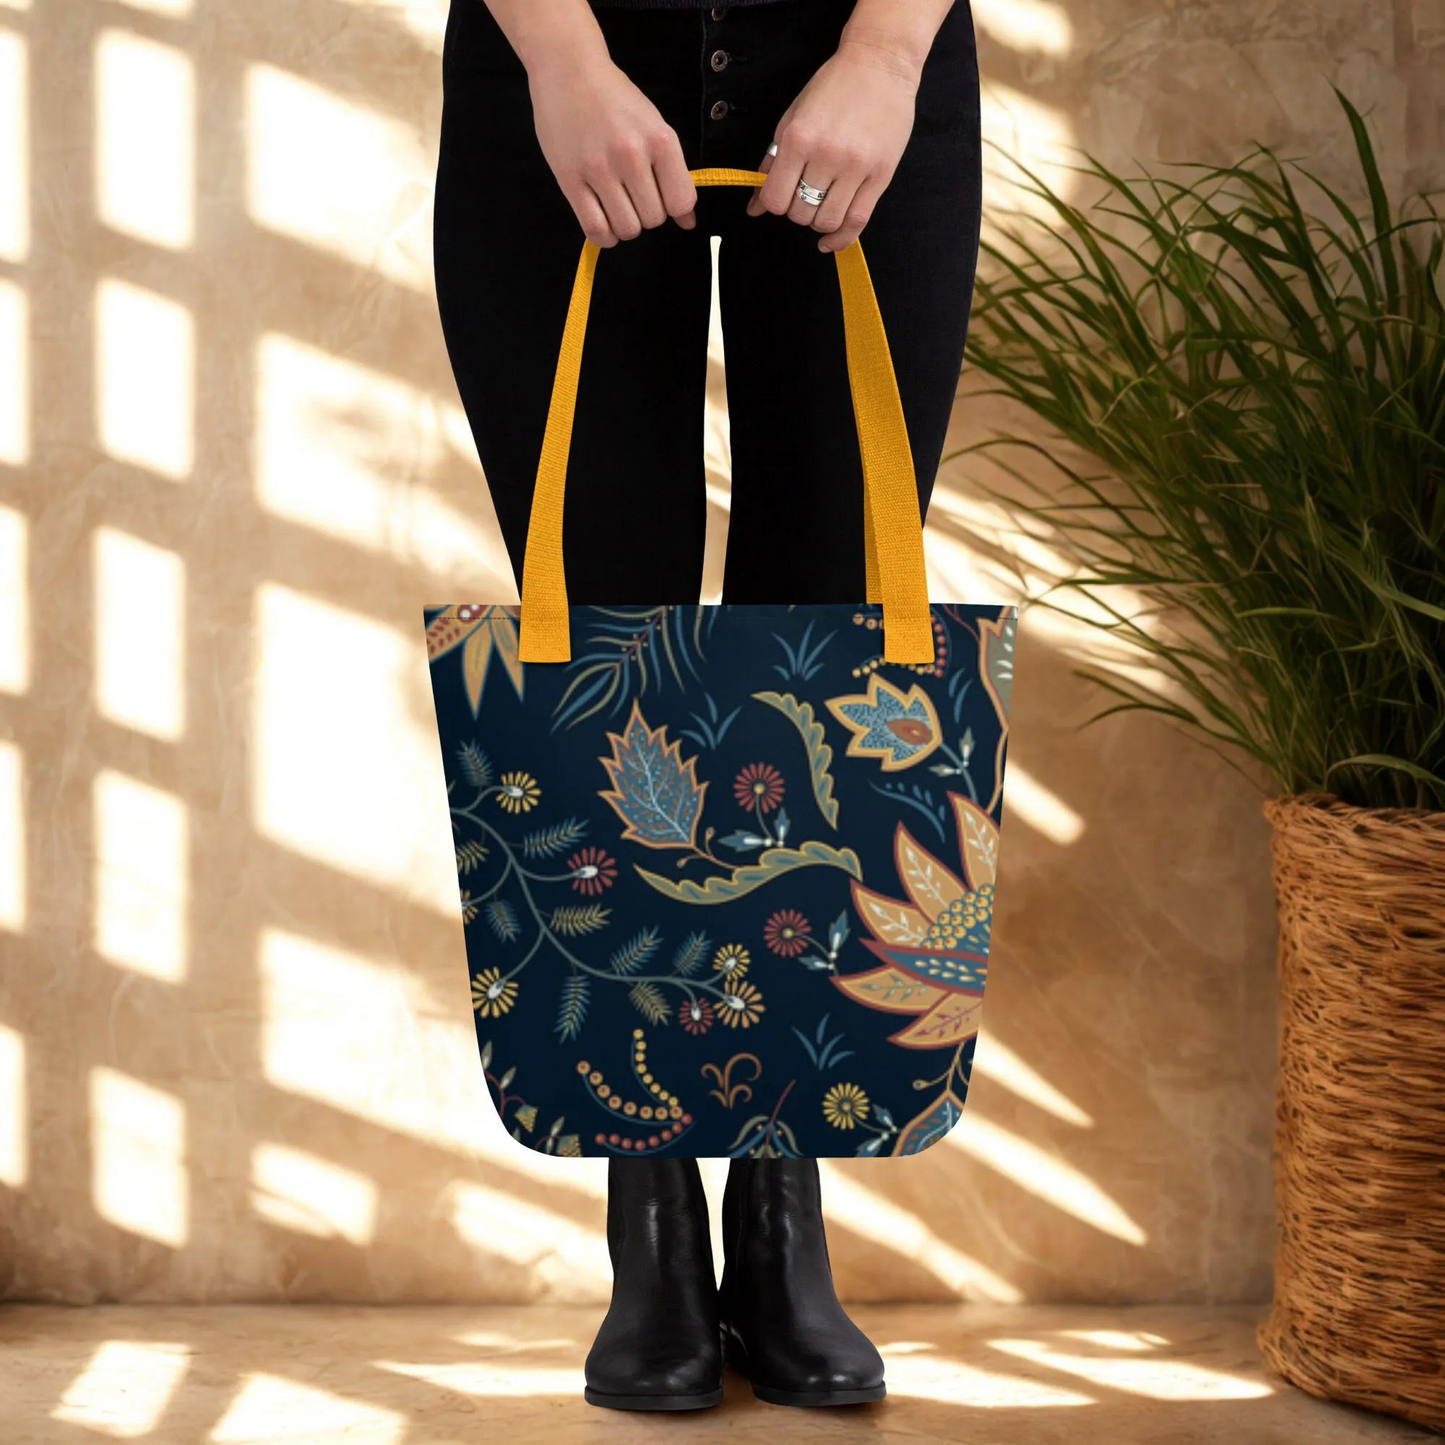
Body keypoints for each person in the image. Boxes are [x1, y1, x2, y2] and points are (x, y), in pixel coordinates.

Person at [432, 0, 982, 1413]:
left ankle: (783, 1218)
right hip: (564, 54)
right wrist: (559, 58)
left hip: (865, 51)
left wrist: (888, 54)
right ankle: (653, 1221)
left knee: (838, 652)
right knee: (607, 653)